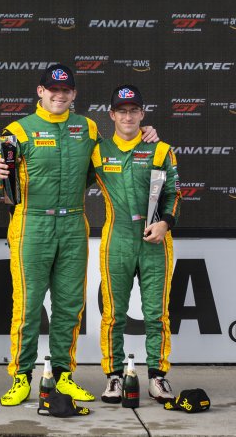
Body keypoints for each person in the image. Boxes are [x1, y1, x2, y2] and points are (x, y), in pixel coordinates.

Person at [0, 64, 156, 407]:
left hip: (73, 223)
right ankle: (21, 377)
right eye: (53, 89)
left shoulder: (87, 127)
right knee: (28, 305)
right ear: (40, 92)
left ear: (74, 94)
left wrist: (145, 135)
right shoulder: (18, 130)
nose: (59, 95)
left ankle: (63, 377)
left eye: (65, 90)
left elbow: (113, 154)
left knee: (69, 306)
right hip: (31, 223)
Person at [90, 85, 179, 404]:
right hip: (117, 241)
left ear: (143, 113)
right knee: (113, 314)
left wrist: (165, 223)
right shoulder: (97, 152)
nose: (128, 117)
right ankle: (114, 377)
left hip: (156, 241)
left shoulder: (161, 150)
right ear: (111, 115)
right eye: (122, 111)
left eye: (134, 111)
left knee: (156, 314)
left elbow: (174, 193)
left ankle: (158, 376)